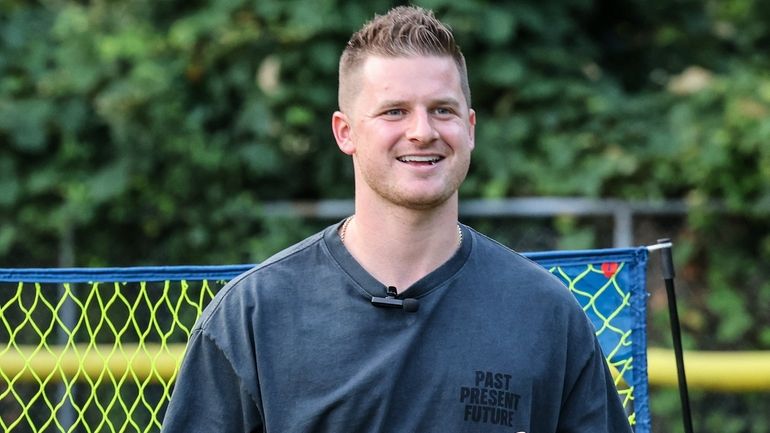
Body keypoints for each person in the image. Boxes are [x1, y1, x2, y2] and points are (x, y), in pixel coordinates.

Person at [161, 6, 633, 433]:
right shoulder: (254, 316)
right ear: (345, 132)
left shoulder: (546, 314)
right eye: (394, 111)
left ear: (469, 129)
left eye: (442, 110)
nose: (422, 131)